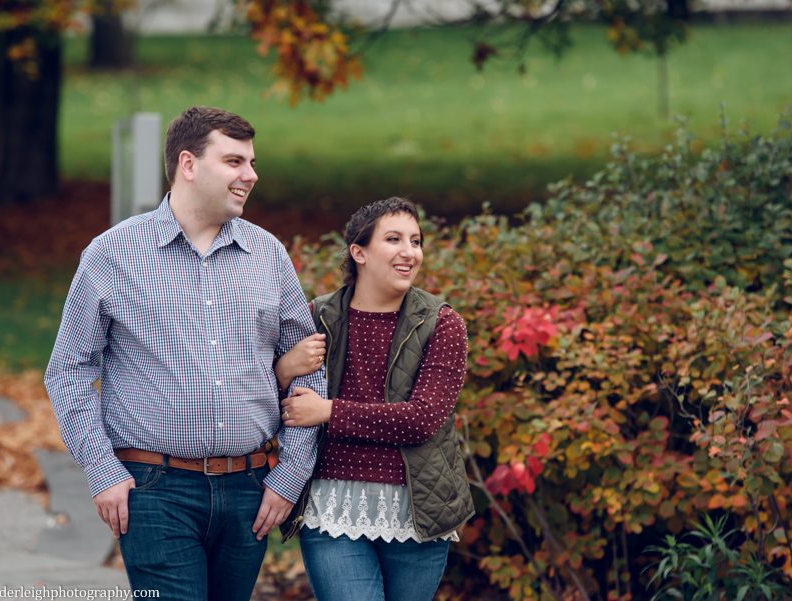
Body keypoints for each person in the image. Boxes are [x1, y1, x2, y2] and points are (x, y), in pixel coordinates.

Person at [44, 106, 325, 601]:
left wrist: (289, 477)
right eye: (235, 161)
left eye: (252, 162)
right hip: (153, 489)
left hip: (250, 490)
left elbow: (310, 368)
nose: (251, 175)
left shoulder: (268, 255)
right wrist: (102, 471)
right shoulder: (112, 255)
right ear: (189, 164)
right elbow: (68, 370)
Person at [274, 197, 475, 601]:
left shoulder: (442, 323)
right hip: (332, 507)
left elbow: (422, 419)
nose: (410, 252)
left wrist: (329, 411)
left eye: (416, 241)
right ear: (359, 252)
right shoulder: (319, 316)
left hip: (416, 510)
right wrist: (283, 371)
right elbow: (285, 407)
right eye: (394, 239)